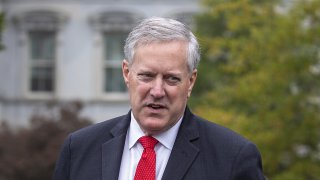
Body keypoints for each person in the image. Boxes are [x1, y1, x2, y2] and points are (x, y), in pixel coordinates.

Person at [53, 17, 265, 180]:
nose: (157, 91)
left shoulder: (233, 157)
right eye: (147, 76)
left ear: (190, 81)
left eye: (171, 79)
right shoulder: (79, 149)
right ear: (127, 73)